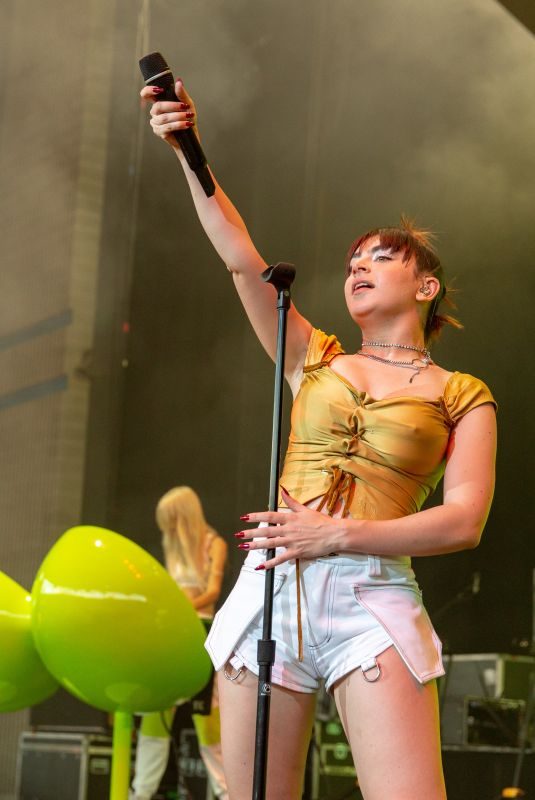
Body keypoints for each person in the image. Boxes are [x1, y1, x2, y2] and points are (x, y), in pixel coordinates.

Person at [140, 79, 497, 800]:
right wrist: (188, 149)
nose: (357, 266)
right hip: (268, 596)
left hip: (369, 601)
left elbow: (463, 522)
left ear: (425, 288)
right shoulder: (316, 358)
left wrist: (335, 537)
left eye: (380, 258)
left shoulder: (462, 395)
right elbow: (242, 259)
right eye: (351, 261)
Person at [130, 486, 228, 800]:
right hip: (172, 637)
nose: (170, 529)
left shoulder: (214, 544)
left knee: (208, 722)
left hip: (200, 633)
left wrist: (183, 612)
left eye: (172, 520)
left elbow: (213, 590)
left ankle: (226, 792)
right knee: (156, 715)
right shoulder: (173, 549)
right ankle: (140, 793)